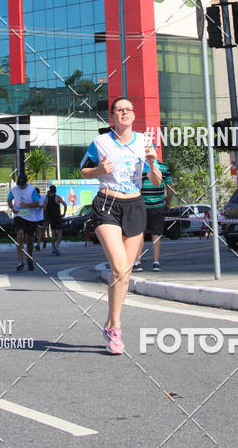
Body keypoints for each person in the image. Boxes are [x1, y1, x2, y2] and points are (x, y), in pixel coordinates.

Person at [80, 96, 161, 354]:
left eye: (128, 109)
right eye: (119, 110)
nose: (124, 113)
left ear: (134, 115)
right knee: (118, 266)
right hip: (107, 204)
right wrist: (98, 170)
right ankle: (116, 328)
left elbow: (157, 181)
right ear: (112, 117)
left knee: (124, 274)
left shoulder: (145, 142)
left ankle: (110, 322)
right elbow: (82, 170)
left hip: (135, 205)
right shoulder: (101, 142)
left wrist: (151, 162)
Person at [133, 155, 173, 271]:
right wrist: (168, 203)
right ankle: (156, 262)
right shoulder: (164, 168)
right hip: (159, 205)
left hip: (141, 205)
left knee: (140, 233)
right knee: (156, 234)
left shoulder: (139, 167)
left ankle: (137, 262)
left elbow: (135, 186)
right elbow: (170, 188)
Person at [7, 173, 40, 271]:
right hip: (19, 215)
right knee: (20, 236)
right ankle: (20, 261)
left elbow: (37, 203)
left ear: (26, 183)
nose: (20, 186)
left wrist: (26, 205)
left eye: (22, 184)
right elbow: (9, 200)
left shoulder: (32, 190)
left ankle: (29, 259)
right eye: (19, 184)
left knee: (29, 241)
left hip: (30, 217)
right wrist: (12, 208)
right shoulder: (14, 189)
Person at [44, 185, 67, 255]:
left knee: (53, 233)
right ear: (55, 190)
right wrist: (64, 213)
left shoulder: (47, 199)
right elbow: (65, 205)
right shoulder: (57, 197)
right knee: (60, 233)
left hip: (51, 218)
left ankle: (54, 248)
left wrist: (45, 218)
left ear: (50, 191)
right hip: (57, 217)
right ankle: (56, 247)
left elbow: (44, 209)